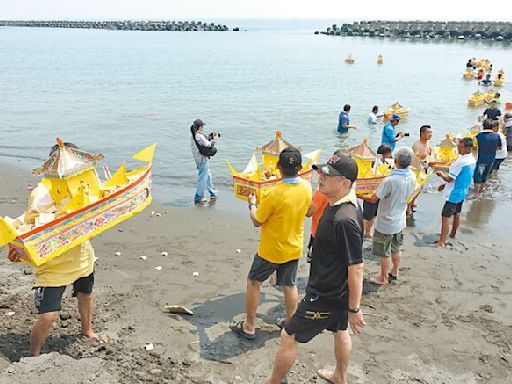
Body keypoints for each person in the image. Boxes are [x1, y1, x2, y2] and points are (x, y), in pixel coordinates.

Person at [264, 152, 365, 384]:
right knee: (340, 331)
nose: (321, 176)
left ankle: (272, 382)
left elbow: (357, 266)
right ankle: (340, 376)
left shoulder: (344, 219)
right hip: (338, 291)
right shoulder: (339, 203)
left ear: (345, 183)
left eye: (328, 174)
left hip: (326, 294)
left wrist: (355, 308)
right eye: (322, 171)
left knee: (288, 335)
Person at [7, 143, 103, 357]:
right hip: (53, 263)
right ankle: (34, 354)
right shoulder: (42, 192)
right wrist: (17, 249)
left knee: (86, 294)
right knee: (48, 315)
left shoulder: (83, 183)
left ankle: (87, 330)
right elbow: (30, 220)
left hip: (82, 255)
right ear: (50, 165)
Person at [231, 147, 312, 339]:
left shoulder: (273, 193)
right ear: (300, 167)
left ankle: (249, 326)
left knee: (253, 282)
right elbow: (308, 211)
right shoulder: (307, 187)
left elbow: (257, 220)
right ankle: (290, 323)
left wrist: (252, 203)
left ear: (278, 167)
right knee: (289, 285)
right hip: (293, 246)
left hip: (271, 249)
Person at [361, 147, 415, 285]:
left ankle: (383, 278)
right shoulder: (412, 176)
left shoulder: (390, 180)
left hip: (386, 221)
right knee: (396, 248)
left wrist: (359, 194)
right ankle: (395, 271)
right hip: (400, 219)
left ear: (395, 161)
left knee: (384, 252)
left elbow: (374, 198)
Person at [436, 138, 476, 248]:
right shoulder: (471, 159)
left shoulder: (461, 162)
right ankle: (452, 233)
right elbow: (461, 177)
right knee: (457, 213)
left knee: (445, 216)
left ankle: (442, 242)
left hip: (453, 194)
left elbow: (449, 178)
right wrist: (445, 185)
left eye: (460, 147)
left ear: (468, 148)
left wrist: (441, 174)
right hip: (462, 191)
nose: (458, 148)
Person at [363, 144, 392, 239]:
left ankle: (367, 232)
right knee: (368, 215)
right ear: (385, 154)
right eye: (389, 153)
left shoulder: (385, 163)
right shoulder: (375, 164)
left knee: (373, 214)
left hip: (378, 192)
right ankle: (364, 232)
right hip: (372, 192)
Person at [190, 118, 218, 204]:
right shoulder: (199, 136)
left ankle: (213, 193)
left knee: (208, 175)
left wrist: (208, 138)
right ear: (200, 127)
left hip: (198, 159)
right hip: (202, 160)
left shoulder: (194, 136)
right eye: (202, 126)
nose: (203, 128)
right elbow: (208, 145)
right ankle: (198, 197)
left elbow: (202, 144)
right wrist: (214, 139)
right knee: (203, 178)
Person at [473, 119, 502, 198]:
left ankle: (476, 193)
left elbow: (474, 147)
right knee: (485, 174)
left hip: (482, 159)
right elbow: (499, 147)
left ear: (483, 126)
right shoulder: (497, 135)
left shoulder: (478, 136)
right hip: (491, 159)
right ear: (491, 127)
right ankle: (482, 189)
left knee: (477, 175)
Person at [306, 188, 329, 262]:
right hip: (331, 231)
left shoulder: (321, 191)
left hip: (318, 231)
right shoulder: (343, 189)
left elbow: (309, 213)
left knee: (316, 261)